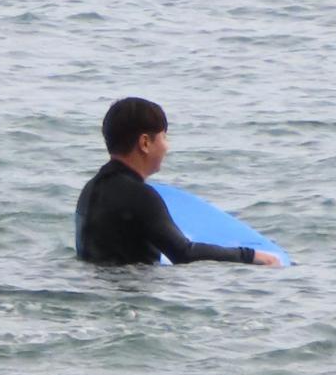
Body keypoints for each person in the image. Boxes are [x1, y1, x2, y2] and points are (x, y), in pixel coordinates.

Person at [75, 98, 281, 268]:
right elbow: (184, 253)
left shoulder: (90, 189)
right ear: (145, 143)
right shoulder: (139, 195)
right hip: (130, 295)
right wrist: (250, 256)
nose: (167, 146)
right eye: (164, 137)